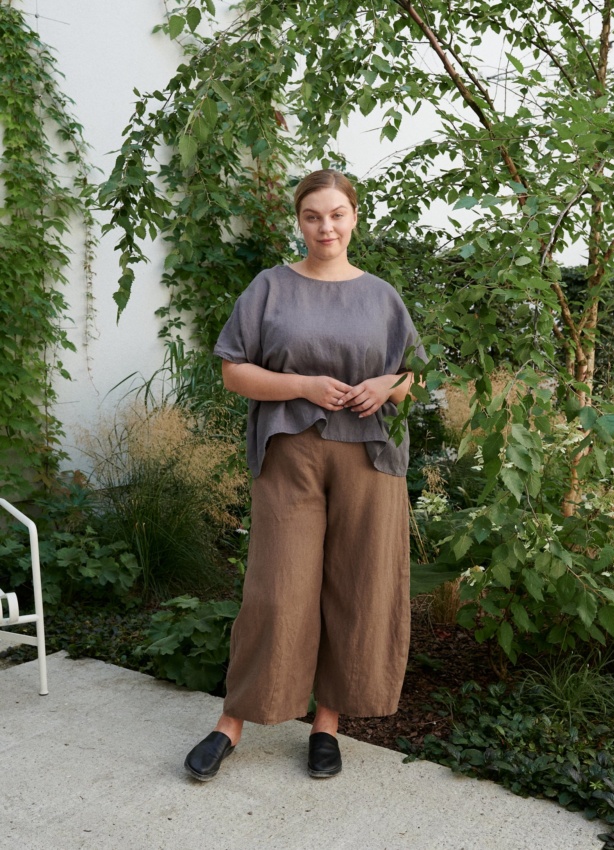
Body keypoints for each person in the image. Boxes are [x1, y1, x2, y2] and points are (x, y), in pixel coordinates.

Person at [184, 168, 426, 781]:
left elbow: (412, 377)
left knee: (358, 584)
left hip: (370, 459)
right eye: (314, 215)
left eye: (337, 214)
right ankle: (231, 722)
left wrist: (387, 384)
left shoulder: (381, 296)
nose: (326, 227)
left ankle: (327, 725)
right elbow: (234, 372)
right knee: (276, 588)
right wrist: (304, 386)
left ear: (353, 217)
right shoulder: (270, 288)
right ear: (299, 220)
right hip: (290, 454)